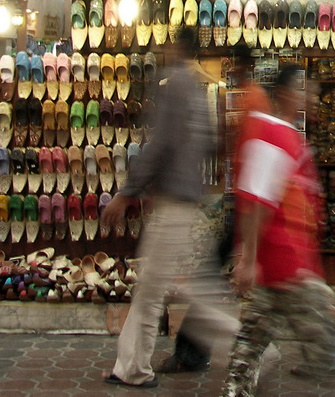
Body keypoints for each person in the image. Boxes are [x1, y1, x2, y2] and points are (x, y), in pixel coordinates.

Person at [101, 28, 239, 389]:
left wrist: (126, 191)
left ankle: (253, 343)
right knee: (158, 287)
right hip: (183, 197)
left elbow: (159, 142)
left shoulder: (174, 85)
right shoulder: (194, 87)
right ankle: (128, 366)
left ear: (176, 47)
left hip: (174, 202)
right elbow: (209, 141)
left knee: (163, 289)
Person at [222, 64, 335, 396]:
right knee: (314, 335)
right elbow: (256, 202)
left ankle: (237, 386)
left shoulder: (286, 134)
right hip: (282, 257)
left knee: (256, 332)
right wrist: (248, 259)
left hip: (287, 257)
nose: (313, 97)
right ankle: (321, 364)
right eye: (307, 90)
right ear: (289, 93)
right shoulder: (273, 134)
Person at [158, 41, 271, 375]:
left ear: (241, 66)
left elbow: (252, 154)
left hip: (247, 203)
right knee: (219, 280)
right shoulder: (255, 100)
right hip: (245, 201)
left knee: (208, 278)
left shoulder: (253, 101)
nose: (232, 71)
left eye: (234, 65)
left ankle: (192, 353)